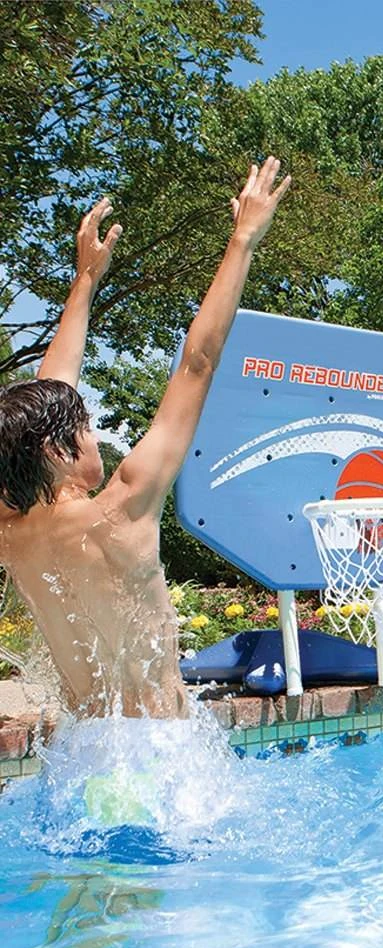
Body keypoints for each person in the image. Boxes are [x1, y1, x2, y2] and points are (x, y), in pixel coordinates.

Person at [0, 158, 290, 720]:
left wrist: (85, 282)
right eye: (85, 429)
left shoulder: (11, 536)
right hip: (159, 751)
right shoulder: (122, 508)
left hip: (85, 750)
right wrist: (242, 241)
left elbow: (47, 398)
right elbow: (198, 363)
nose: (96, 438)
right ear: (57, 450)